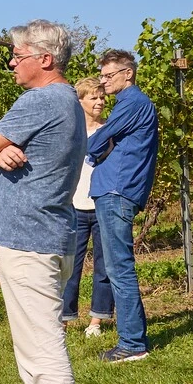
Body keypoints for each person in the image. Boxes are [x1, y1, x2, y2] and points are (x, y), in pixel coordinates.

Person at [0, 20, 87, 384]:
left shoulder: (41, 99)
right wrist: (4, 150)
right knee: (31, 345)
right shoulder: (68, 101)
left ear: (45, 59)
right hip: (49, 232)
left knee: (43, 347)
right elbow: (1, 151)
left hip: (30, 238)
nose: (11, 63)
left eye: (17, 56)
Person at [86, 49, 160, 362]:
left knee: (119, 267)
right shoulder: (129, 104)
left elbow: (96, 141)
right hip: (114, 188)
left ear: (127, 73)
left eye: (108, 75)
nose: (103, 83)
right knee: (117, 265)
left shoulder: (132, 103)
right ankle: (131, 340)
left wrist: (96, 147)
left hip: (117, 188)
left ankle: (132, 344)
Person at [62, 79, 115, 336]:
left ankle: (97, 320)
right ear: (80, 101)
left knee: (104, 266)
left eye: (102, 97)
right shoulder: (70, 131)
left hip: (103, 205)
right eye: (93, 97)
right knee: (70, 266)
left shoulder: (111, 131)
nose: (100, 102)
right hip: (73, 205)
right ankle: (64, 318)